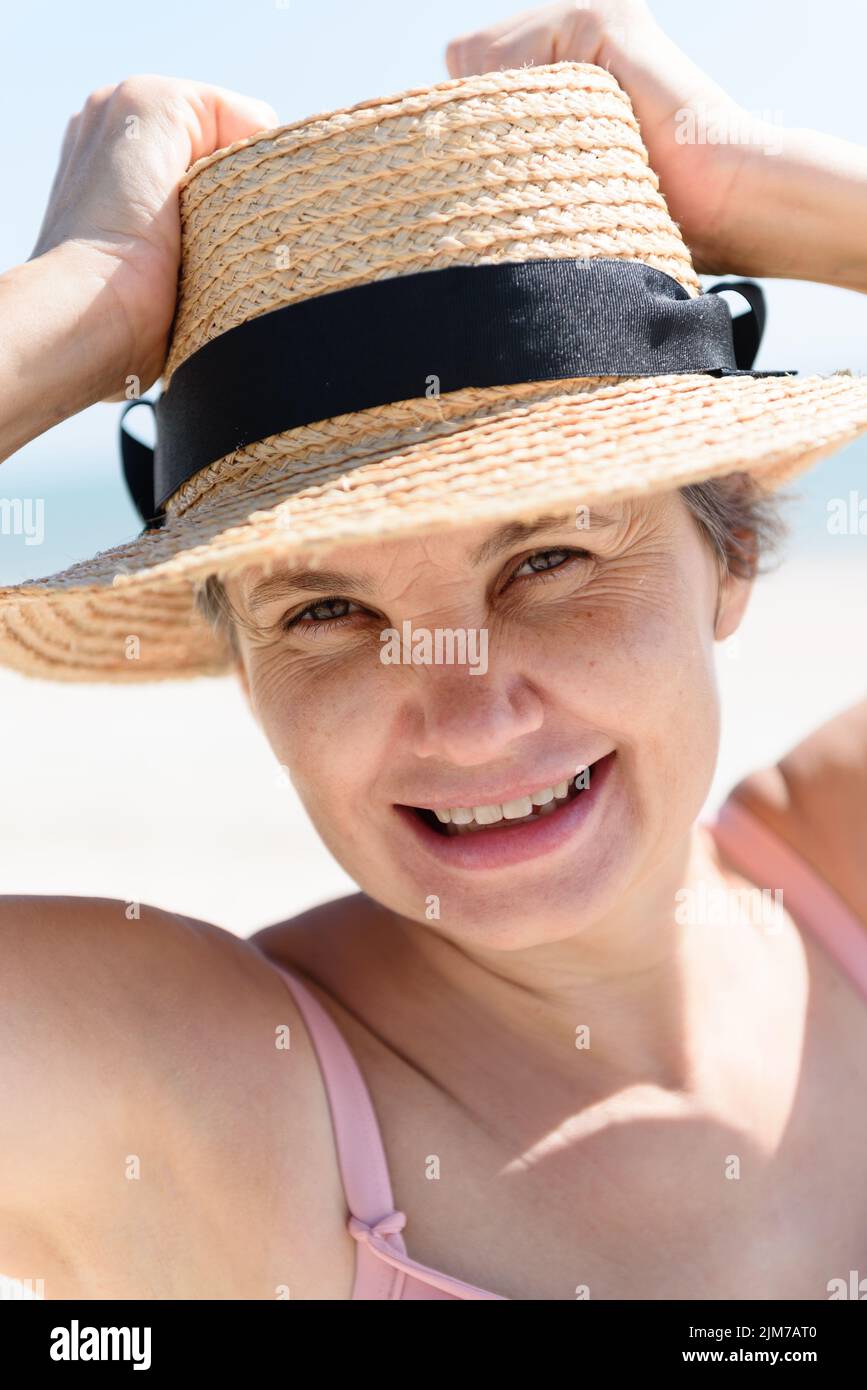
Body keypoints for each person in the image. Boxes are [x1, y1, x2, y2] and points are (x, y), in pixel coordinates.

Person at [1, 0, 866, 1301]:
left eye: (547, 561)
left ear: (730, 548)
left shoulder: (845, 867)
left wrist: (752, 172)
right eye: (328, 612)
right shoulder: (210, 1103)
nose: (466, 716)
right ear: (244, 665)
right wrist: (80, 304)